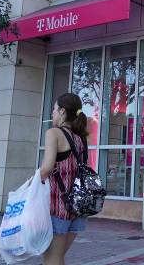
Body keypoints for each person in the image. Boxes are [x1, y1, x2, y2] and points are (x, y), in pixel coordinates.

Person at [40, 93, 89, 265]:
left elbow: (46, 168)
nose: (52, 114)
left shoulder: (54, 133)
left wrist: (30, 184)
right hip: (77, 208)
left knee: (51, 259)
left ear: (62, 111)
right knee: (57, 257)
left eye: (54, 110)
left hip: (58, 208)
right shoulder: (80, 138)